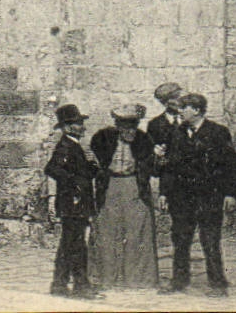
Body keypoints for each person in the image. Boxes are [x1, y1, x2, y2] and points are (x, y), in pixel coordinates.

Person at [159, 92, 236, 297]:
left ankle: (218, 284)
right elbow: (168, 167)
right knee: (180, 239)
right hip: (181, 198)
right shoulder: (176, 133)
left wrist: (230, 194)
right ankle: (179, 280)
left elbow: (231, 165)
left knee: (210, 240)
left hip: (209, 197)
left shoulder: (218, 132)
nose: (179, 111)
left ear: (196, 110)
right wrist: (164, 193)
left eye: (183, 108)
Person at [88, 104, 160, 289]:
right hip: (109, 186)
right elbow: (94, 163)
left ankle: (137, 279)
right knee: (106, 231)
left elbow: (153, 168)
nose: (130, 130)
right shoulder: (102, 137)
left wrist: (157, 158)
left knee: (137, 231)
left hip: (134, 185)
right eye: (125, 125)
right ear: (117, 124)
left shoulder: (144, 140)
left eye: (133, 125)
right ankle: (106, 278)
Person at [44, 104, 102, 299]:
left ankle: (62, 284)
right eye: (78, 123)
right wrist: (74, 185)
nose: (82, 127)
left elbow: (84, 174)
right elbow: (52, 169)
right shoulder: (66, 146)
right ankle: (78, 286)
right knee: (75, 245)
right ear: (67, 127)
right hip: (73, 203)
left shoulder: (74, 145)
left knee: (70, 244)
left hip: (77, 203)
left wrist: (92, 165)